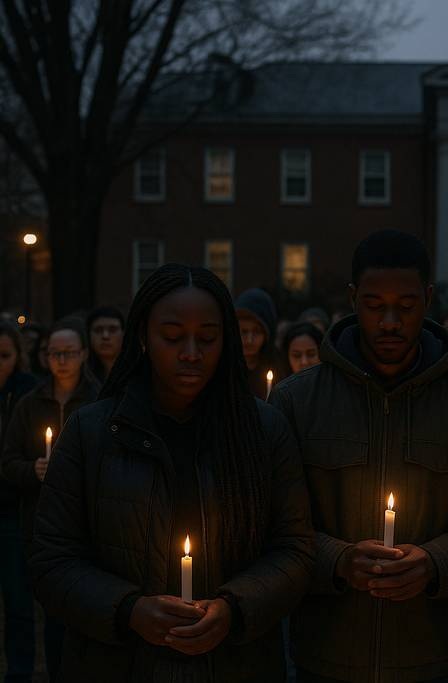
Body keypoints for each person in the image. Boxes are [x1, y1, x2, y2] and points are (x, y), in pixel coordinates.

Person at [28, 264, 315, 681]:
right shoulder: (92, 433)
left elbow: (294, 549)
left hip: (236, 665)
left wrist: (235, 608)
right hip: (119, 665)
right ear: (143, 336)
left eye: (208, 338)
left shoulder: (263, 431)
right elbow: (51, 560)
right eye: (173, 336)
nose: (192, 353)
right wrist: (128, 608)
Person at [269, 230, 448, 682]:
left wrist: (435, 562)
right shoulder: (296, 402)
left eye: (404, 306)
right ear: (352, 298)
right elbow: (276, 524)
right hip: (329, 658)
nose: (388, 322)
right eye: (373, 304)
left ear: (427, 298)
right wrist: (339, 560)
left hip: (438, 658)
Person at [2, 317, 101, 680]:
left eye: (69, 353)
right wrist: (33, 470)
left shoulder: (99, 400)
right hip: (37, 522)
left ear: (84, 355)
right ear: (45, 357)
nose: (61, 360)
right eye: (54, 353)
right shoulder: (30, 404)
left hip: (84, 524)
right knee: (35, 611)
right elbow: (8, 461)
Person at [0, 321, 40, 682]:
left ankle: (19, 672)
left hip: (11, 510)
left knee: (17, 601)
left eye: (5, 356)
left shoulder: (26, 395)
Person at [234, 288, 280, 398]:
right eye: (243, 332)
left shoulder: (279, 367)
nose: (249, 340)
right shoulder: (223, 367)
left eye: (257, 332)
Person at [86, 305, 125, 383]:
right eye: (98, 330)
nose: (105, 336)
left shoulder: (138, 371)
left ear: (124, 334)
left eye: (113, 330)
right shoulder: (81, 376)